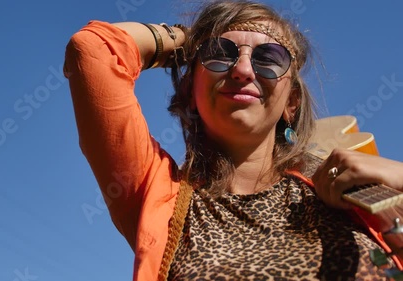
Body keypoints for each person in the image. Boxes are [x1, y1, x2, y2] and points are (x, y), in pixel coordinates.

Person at [64, 0, 403, 280]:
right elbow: (93, 50)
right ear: (190, 91)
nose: (242, 70)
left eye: (270, 59)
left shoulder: (342, 188)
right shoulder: (155, 193)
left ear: (291, 103)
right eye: (219, 53)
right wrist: (190, 39)